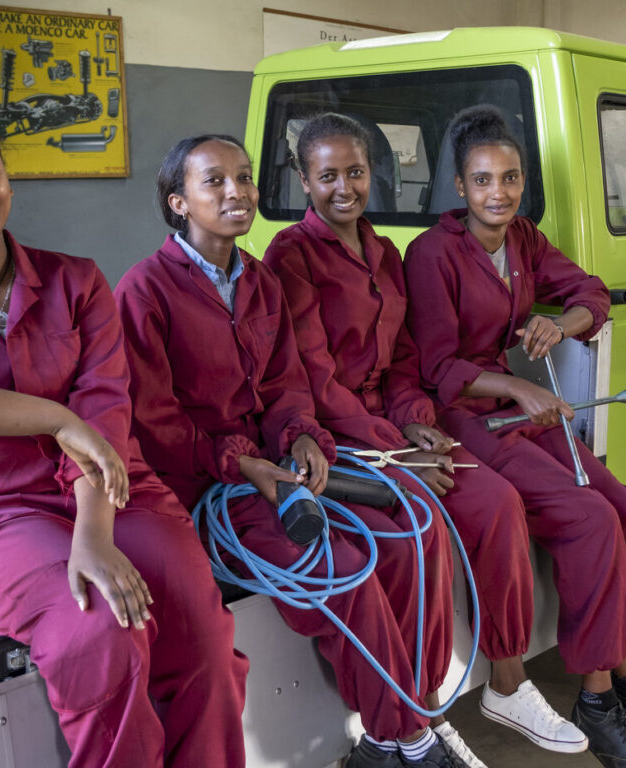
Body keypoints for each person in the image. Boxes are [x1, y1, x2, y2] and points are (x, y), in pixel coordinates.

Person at [0, 103, 248, 768]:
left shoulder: (77, 281)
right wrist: (52, 416)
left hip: (113, 495)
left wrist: (92, 532)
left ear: (8, 179)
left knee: (203, 636)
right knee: (97, 630)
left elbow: (104, 415)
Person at [114, 132, 470, 768]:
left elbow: (286, 386)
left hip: (278, 470)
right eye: (214, 182)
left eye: (244, 179)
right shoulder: (145, 291)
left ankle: (407, 714)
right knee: (337, 569)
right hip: (211, 489)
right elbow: (154, 422)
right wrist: (241, 463)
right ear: (177, 203)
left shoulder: (258, 281)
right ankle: (407, 738)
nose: (237, 193)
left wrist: (302, 435)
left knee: (404, 534)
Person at [263, 112, 589, 767]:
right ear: (304, 180)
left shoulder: (384, 251)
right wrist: (396, 445)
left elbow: (408, 355)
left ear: (372, 172)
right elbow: (315, 376)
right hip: (343, 439)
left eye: (356, 171)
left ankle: (504, 683)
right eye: (328, 175)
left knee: (495, 503)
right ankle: (411, 714)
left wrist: (417, 418)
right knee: (422, 529)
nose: (345, 187)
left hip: (397, 429)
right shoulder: (291, 258)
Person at [404, 104, 626, 768]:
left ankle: (614, 654)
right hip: (464, 415)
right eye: (482, 181)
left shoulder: (524, 239)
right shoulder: (432, 254)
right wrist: (517, 388)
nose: (497, 193)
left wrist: (565, 323)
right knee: (589, 518)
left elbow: (589, 292)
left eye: (509, 178)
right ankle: (595, 694)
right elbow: (440, 368)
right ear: (459, 187)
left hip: (512, 404)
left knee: (617, 500)